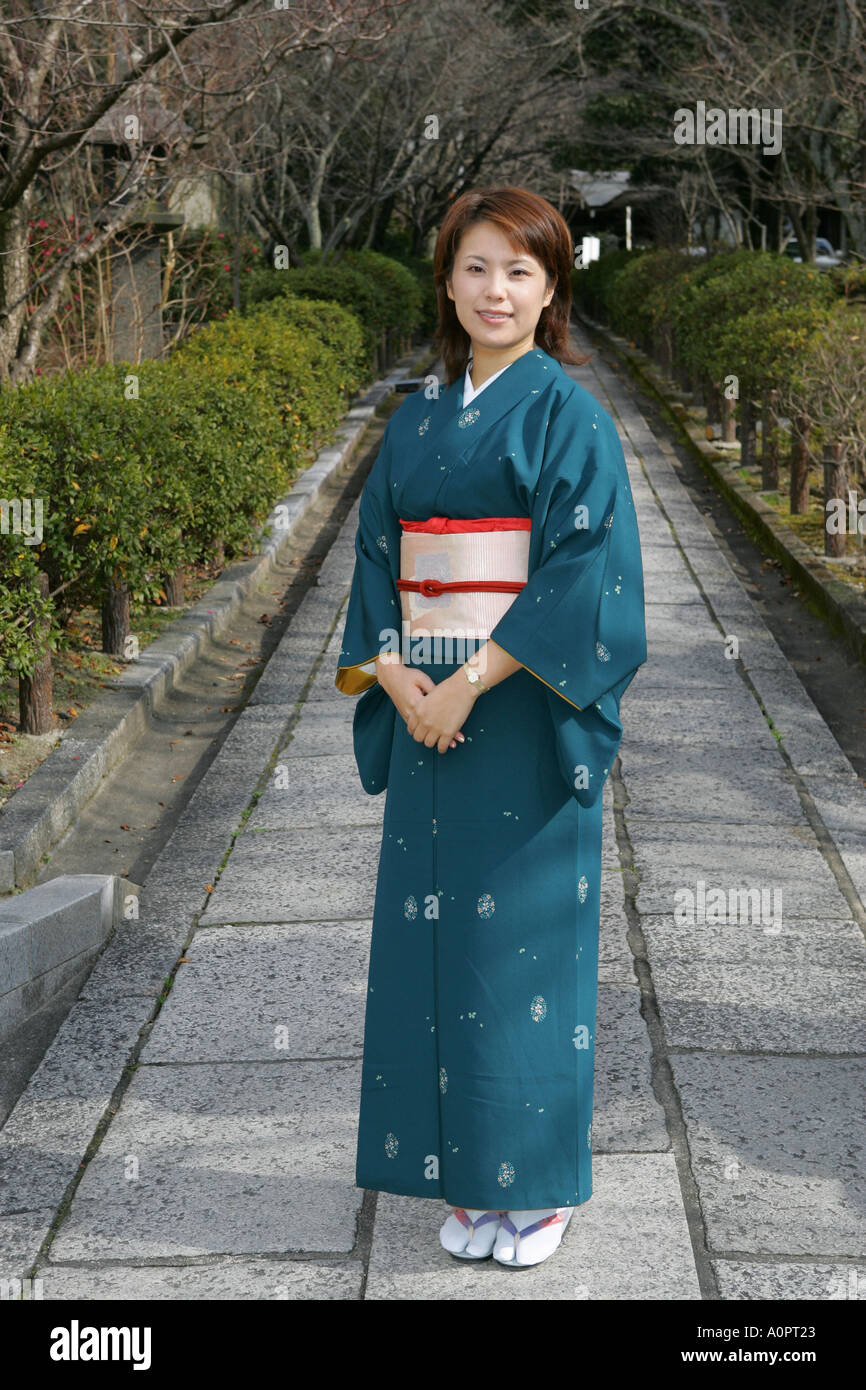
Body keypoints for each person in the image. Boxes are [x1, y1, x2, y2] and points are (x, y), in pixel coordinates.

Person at [335, 185, 647, 1268]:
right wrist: (393, 672)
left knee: (521, 956)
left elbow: (583, 573)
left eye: (518, 270)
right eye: (475, 267)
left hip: (520, 713)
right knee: (435, 951)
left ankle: (539, 1187)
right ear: (448, 280)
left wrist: (467, 681)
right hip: (419, 708)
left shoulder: (571, 415)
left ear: (551, 286)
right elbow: (378, 555)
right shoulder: (417, 415)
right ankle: (463, 1176)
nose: (494, 290)